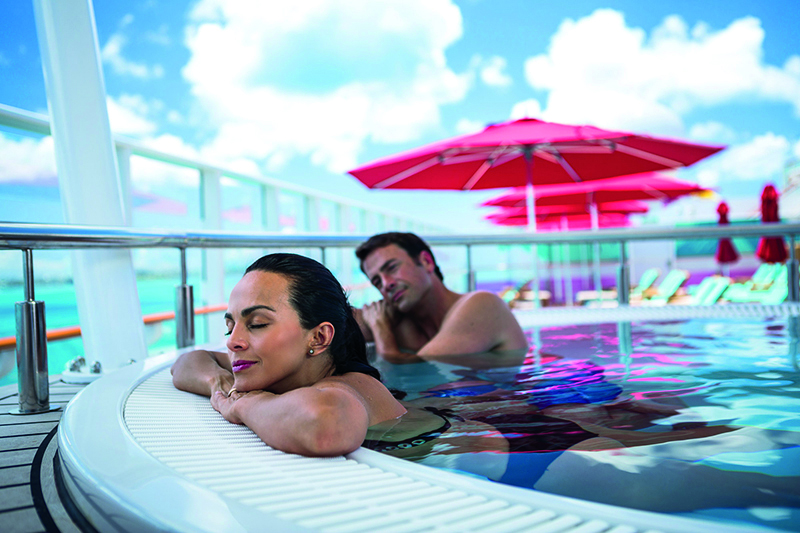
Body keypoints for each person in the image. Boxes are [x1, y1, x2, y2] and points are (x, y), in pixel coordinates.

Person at [171, 253, 406, 457]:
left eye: (257, 323)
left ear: (319, 338)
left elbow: (325, 423)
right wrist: (219, 384)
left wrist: (243, 406)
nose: (232, 342)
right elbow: (186, 363)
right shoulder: (278, 368)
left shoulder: (353, 386)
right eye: (230, 327)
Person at [354, 232, 528, 363]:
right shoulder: (396, 319)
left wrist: (380, 331)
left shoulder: (483, 304)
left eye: (392, 268)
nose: (386, 284)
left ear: (426, 262)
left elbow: (421, 371)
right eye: (377, 281)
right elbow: (339, 322)